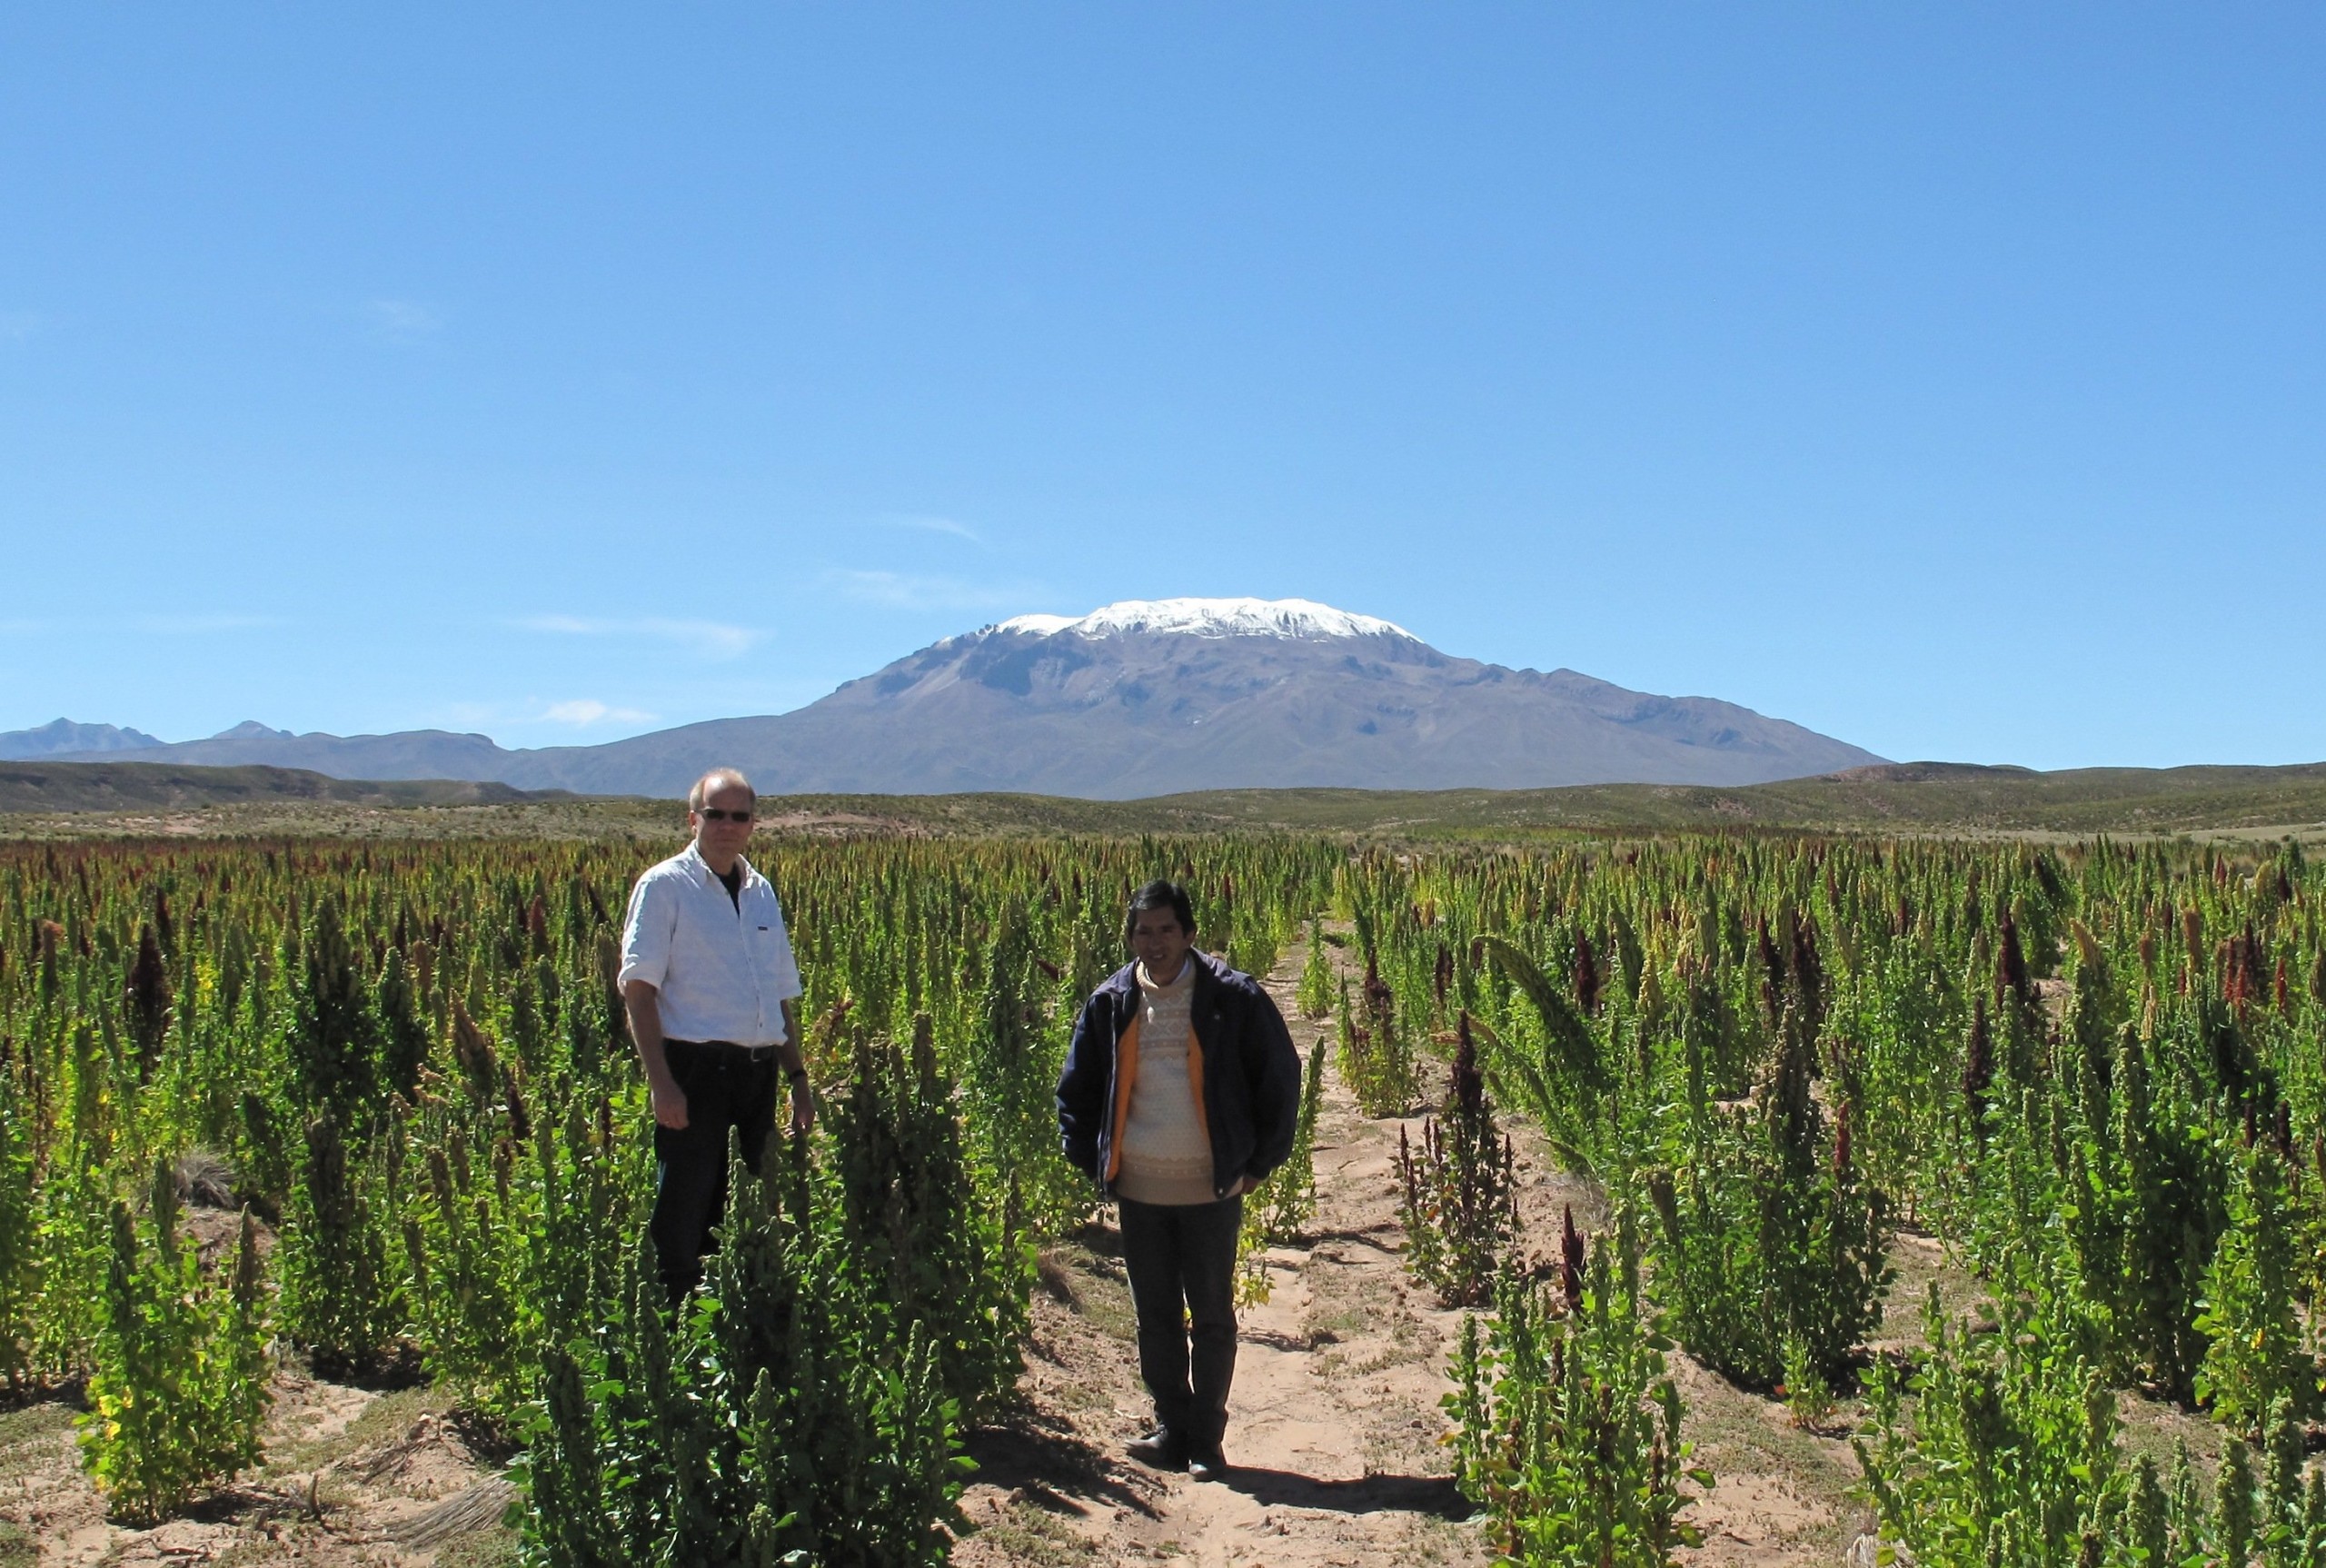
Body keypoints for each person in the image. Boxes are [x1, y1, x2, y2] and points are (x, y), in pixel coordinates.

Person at [1056, 879, 1302, 1481]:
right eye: (1144, 930)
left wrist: (1257, 1164)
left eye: (1168, 930)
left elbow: (1281, 1077)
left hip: (1210, 1187)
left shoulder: (1233, 998)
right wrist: (1096, 1161)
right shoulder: (1112, 1002)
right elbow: (1076, 1089)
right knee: (1156, 1315)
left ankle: (1206, 1440)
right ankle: (1171, 1426)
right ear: (1130, 935)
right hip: (1141, 1188)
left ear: (1191, 934)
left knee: (1212, 1315)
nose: (1156, 942)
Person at [617, 767, 811, 1303]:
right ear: (693, 819)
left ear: (753, 824)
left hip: (755, 1073)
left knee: (744, 1205)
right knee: (684, 1205)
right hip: (694, 1071)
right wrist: (662, 1083)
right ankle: (670, 1331)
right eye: (715, 814)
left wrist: (797, 1076)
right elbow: (638, 991)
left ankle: (727, 1324)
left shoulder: (761, 891)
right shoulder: (664, 886)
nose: (727, 826)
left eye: (739, 816)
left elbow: (777, 994)